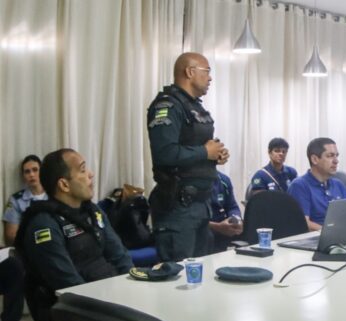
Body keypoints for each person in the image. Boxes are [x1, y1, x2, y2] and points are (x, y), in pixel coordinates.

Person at [147, 52, 229, 262]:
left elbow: (195, 146)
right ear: (190, 72)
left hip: (201, 205)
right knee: (178, 278)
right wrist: (205, 152)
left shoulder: (195, 107)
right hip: (177, 207)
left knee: (200, 275)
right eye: (207, 72)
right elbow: (165, 153)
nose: (210, 78)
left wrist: (215, 155)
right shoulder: (167, 106)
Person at [16, 148, 132, 292]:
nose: (91, 174)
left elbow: (119, 256)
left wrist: (131, 286)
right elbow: (69, 284)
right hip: (80, 307)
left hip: (111, 292)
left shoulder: (93, 211)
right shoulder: (44, 225)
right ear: (64, 185)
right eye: (82, 170)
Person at [287, 137, 346, 231]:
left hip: (341, 236)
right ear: (314, 159)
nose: (336, 161)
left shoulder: (338, 184)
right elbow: (304, 223)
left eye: (336, 156)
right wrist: (331, 232)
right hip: (314, 240)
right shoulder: (299, 186)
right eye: (330, 156)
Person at [4, 155, 48, 245]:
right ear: (23, 176)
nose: (31, 174)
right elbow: (11, 236)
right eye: (27, 172)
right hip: (29, 249)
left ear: (42, 171)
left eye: (35, 170)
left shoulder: (54, 195)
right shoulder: (16, 200)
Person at [208, 170, 243, 253]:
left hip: (224, 230)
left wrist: (236, 220)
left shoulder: (224, 179)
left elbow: (232, 206)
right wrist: (217, 227)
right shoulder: (191, 180)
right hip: (203, 232)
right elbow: (189, 219)